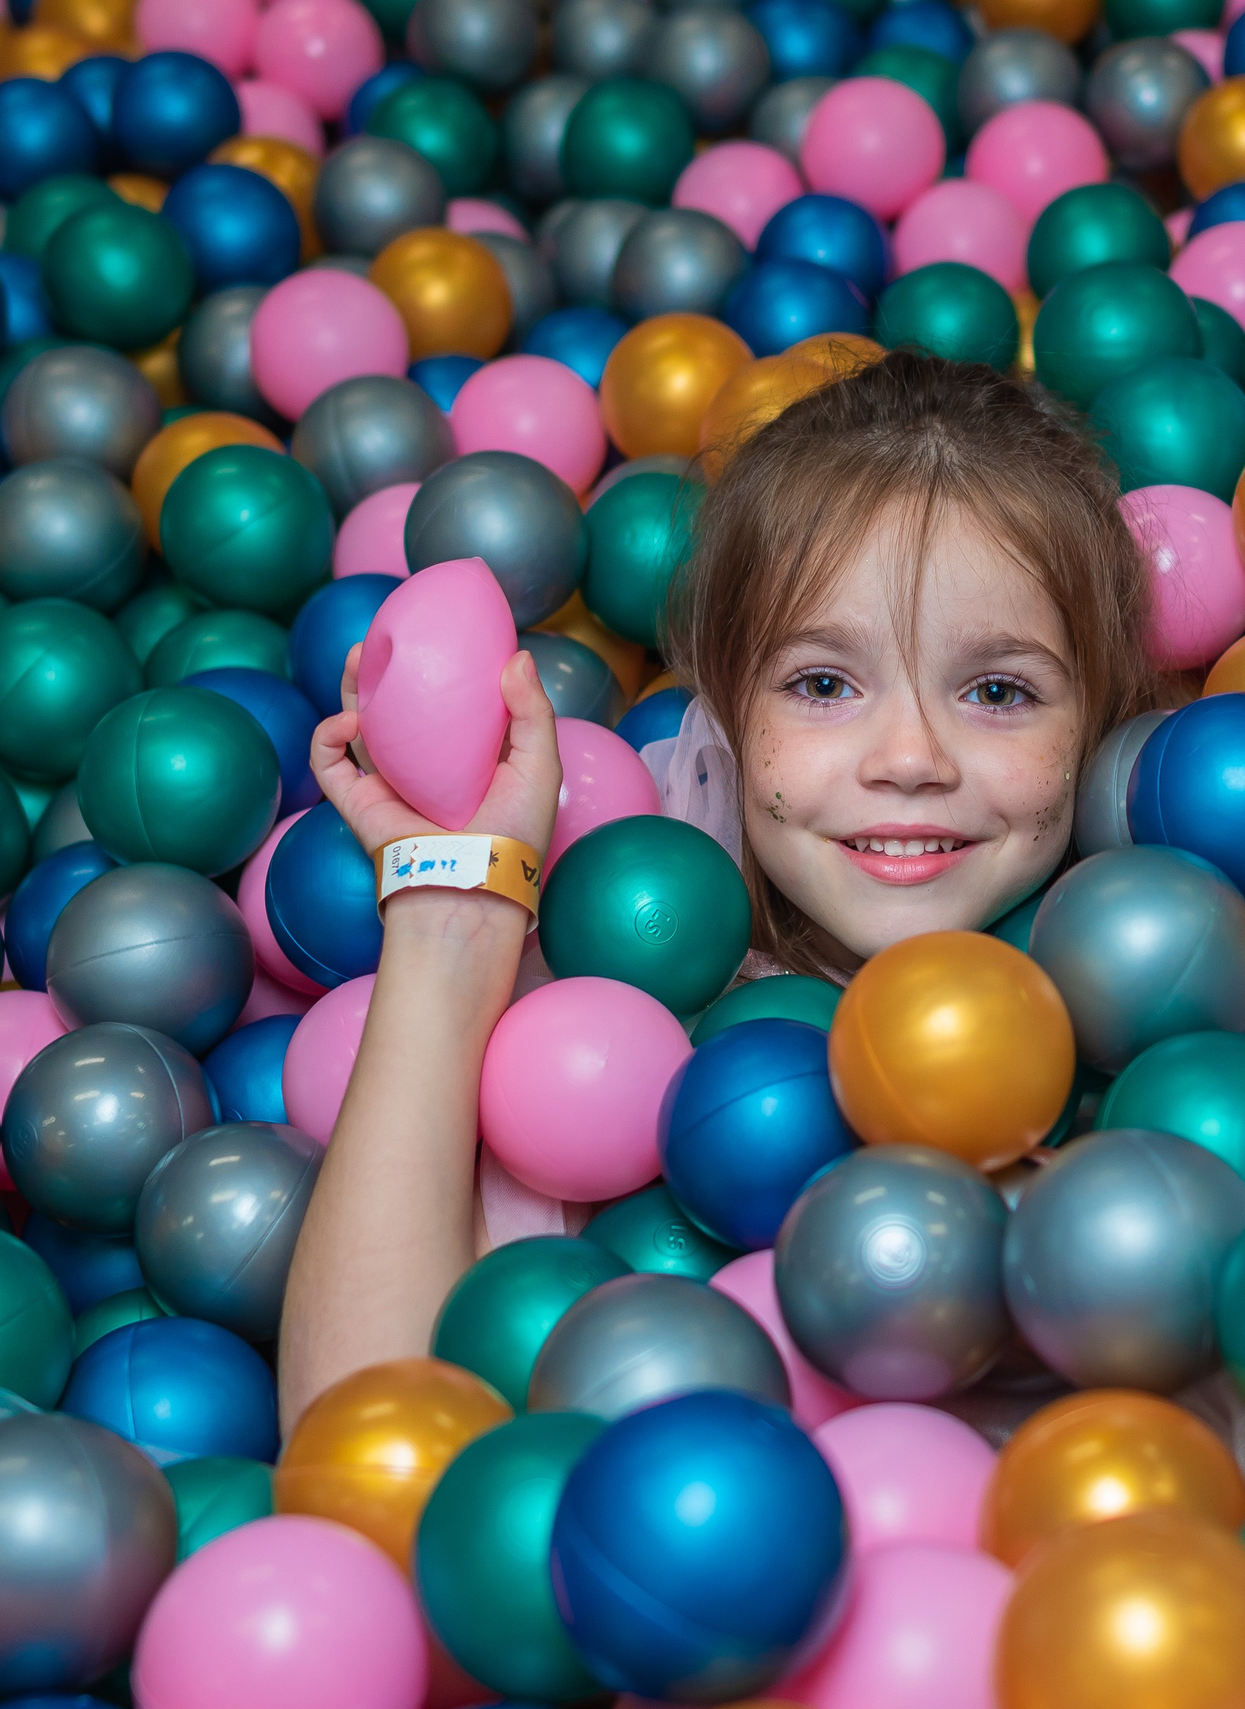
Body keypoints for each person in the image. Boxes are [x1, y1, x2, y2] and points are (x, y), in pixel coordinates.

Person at [277, 353, 1161, 1425]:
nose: (912, 756)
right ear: (730, 714)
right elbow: (357, 1440)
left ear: (1097, 724)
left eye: (997, 690)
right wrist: (451, 916)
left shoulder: (1169, 1022)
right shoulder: (597, 1022)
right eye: (824, 683)